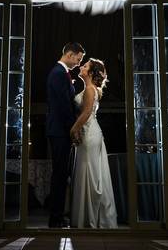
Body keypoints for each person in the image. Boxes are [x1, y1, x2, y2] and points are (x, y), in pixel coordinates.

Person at [69, 58, 118, 228]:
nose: (81, 67)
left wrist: (73, 129)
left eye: (85, 66)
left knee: (89, 173)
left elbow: (86, 113)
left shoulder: (90, 90)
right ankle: (88, 216)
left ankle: (90, 218)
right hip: (90, 132)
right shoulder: (89, 88)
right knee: (89, 173)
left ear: (90, 73)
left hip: (89, 133)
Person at [45, 42, 85, 228]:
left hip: (60, 131)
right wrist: (73, 129)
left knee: (62, 174)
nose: (78, 63)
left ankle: (58, 215)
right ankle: (56, 218)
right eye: (78, 59)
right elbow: (63, 107)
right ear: (69, 54)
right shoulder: (58, 74)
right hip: (60, 131)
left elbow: (66, 99)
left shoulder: (62, 74)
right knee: (60, 175)